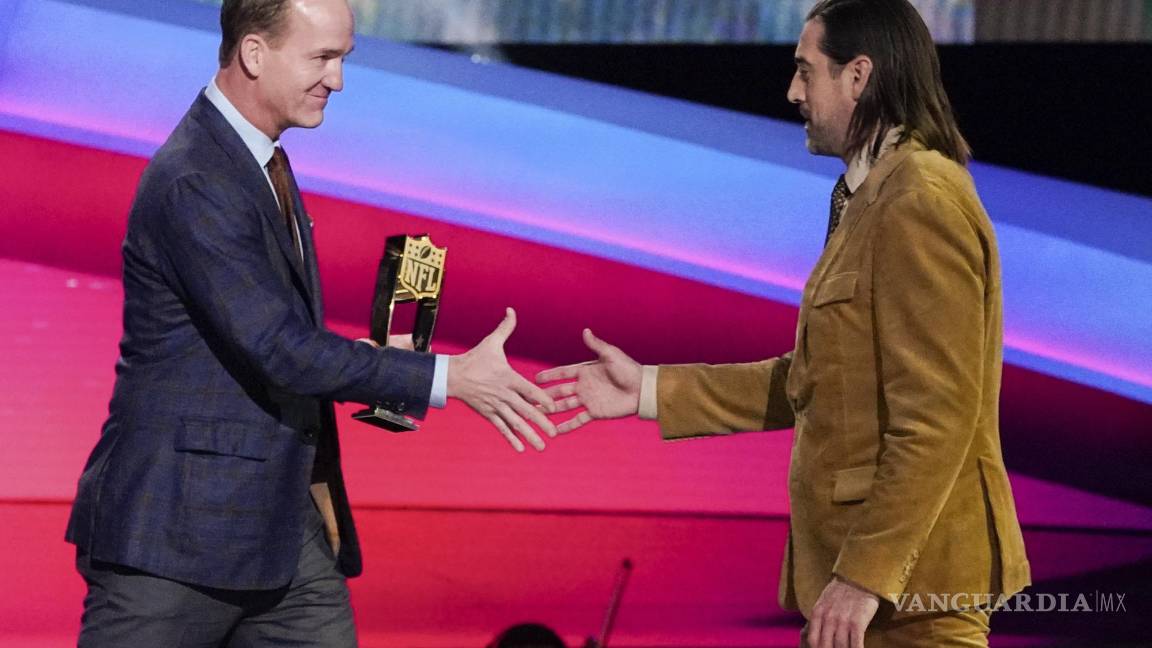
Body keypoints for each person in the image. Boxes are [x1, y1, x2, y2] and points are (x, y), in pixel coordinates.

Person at [537, 1, 1030, 646]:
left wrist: (863, 578)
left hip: (909, 600)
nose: (792, 91)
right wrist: (649, 391)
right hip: (865, 598)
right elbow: (816, 380)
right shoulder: (870, 194)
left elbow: (937, 418)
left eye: (805, 71)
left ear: (859, 76)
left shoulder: (918, 200)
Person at [65, 0, 556, 645]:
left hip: (276, 520)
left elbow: (255, 337)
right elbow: (278, 348)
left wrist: (371, 356)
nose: (338, 80)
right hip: (179, 532)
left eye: (342, 58)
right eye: (322, 58)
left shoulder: (258, 158)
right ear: (254, 54)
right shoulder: (197, 178)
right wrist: (444, 375)